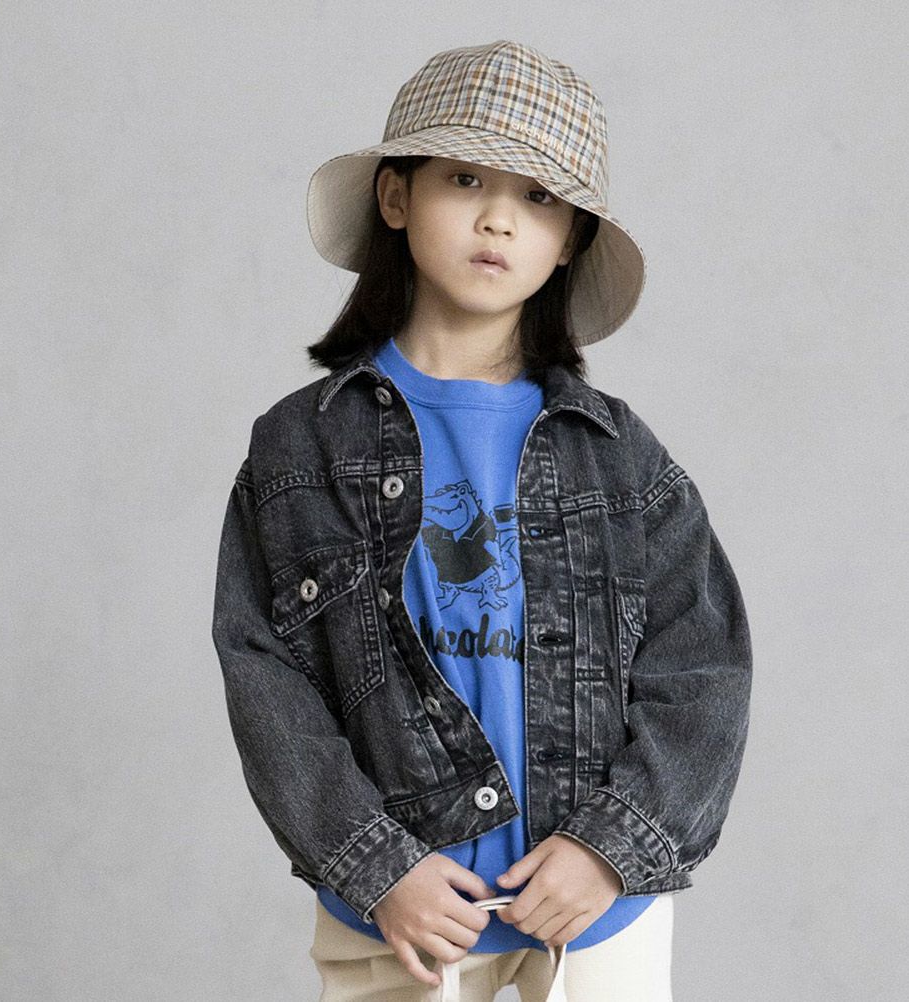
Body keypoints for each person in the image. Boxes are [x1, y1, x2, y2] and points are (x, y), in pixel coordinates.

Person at [212, 39, 753, 1002]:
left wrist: (610, 849)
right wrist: (377, 864)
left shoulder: (619, 457)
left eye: (539, 197)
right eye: (464, 179)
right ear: (396, 196)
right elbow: (268, 683)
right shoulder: (302, 448)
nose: (499, 217)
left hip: (590, 912)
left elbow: (702, 668)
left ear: (570, 239)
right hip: (400, 909)